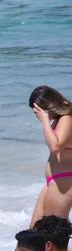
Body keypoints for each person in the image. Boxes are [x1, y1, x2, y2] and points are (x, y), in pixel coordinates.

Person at [28, 86, 72, 223]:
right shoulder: (60, 119)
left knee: (52, 235)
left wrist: (45, 121)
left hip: (63, 181)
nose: (36, 114)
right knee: (34, 232)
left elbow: (56, 146)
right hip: (54, 180)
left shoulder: (67, 117)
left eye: (37, 111)